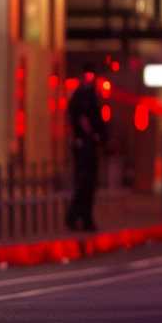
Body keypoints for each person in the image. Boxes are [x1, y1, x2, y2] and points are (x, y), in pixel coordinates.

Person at [66, 63, 107, 232]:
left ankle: (81, 217)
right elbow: (81, 119)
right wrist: (90, 134)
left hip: (88, 144)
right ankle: (77, 216)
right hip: (84, 145)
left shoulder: (91, 95)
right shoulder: (82, 96)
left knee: (88, 184)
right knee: (84, 183)